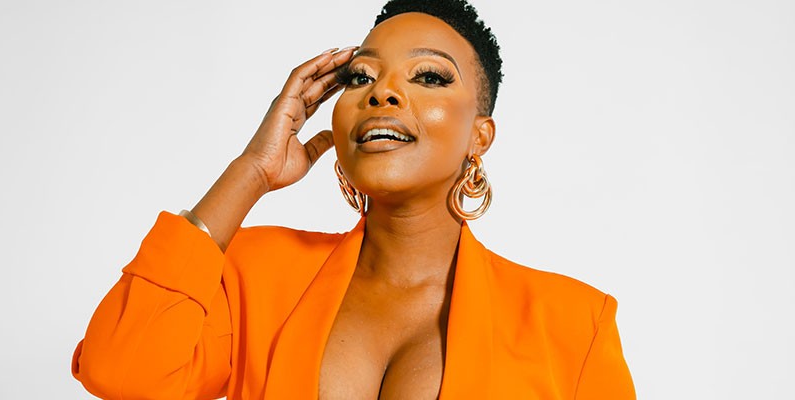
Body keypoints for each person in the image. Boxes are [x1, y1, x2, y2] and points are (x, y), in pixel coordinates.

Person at [71, 0, 635, 398]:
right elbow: (122, 371)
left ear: (479, 136)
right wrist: (252, 172)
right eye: (361, 77)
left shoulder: (574, 324)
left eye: (429, 77)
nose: (383, 91)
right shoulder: (254, 273)